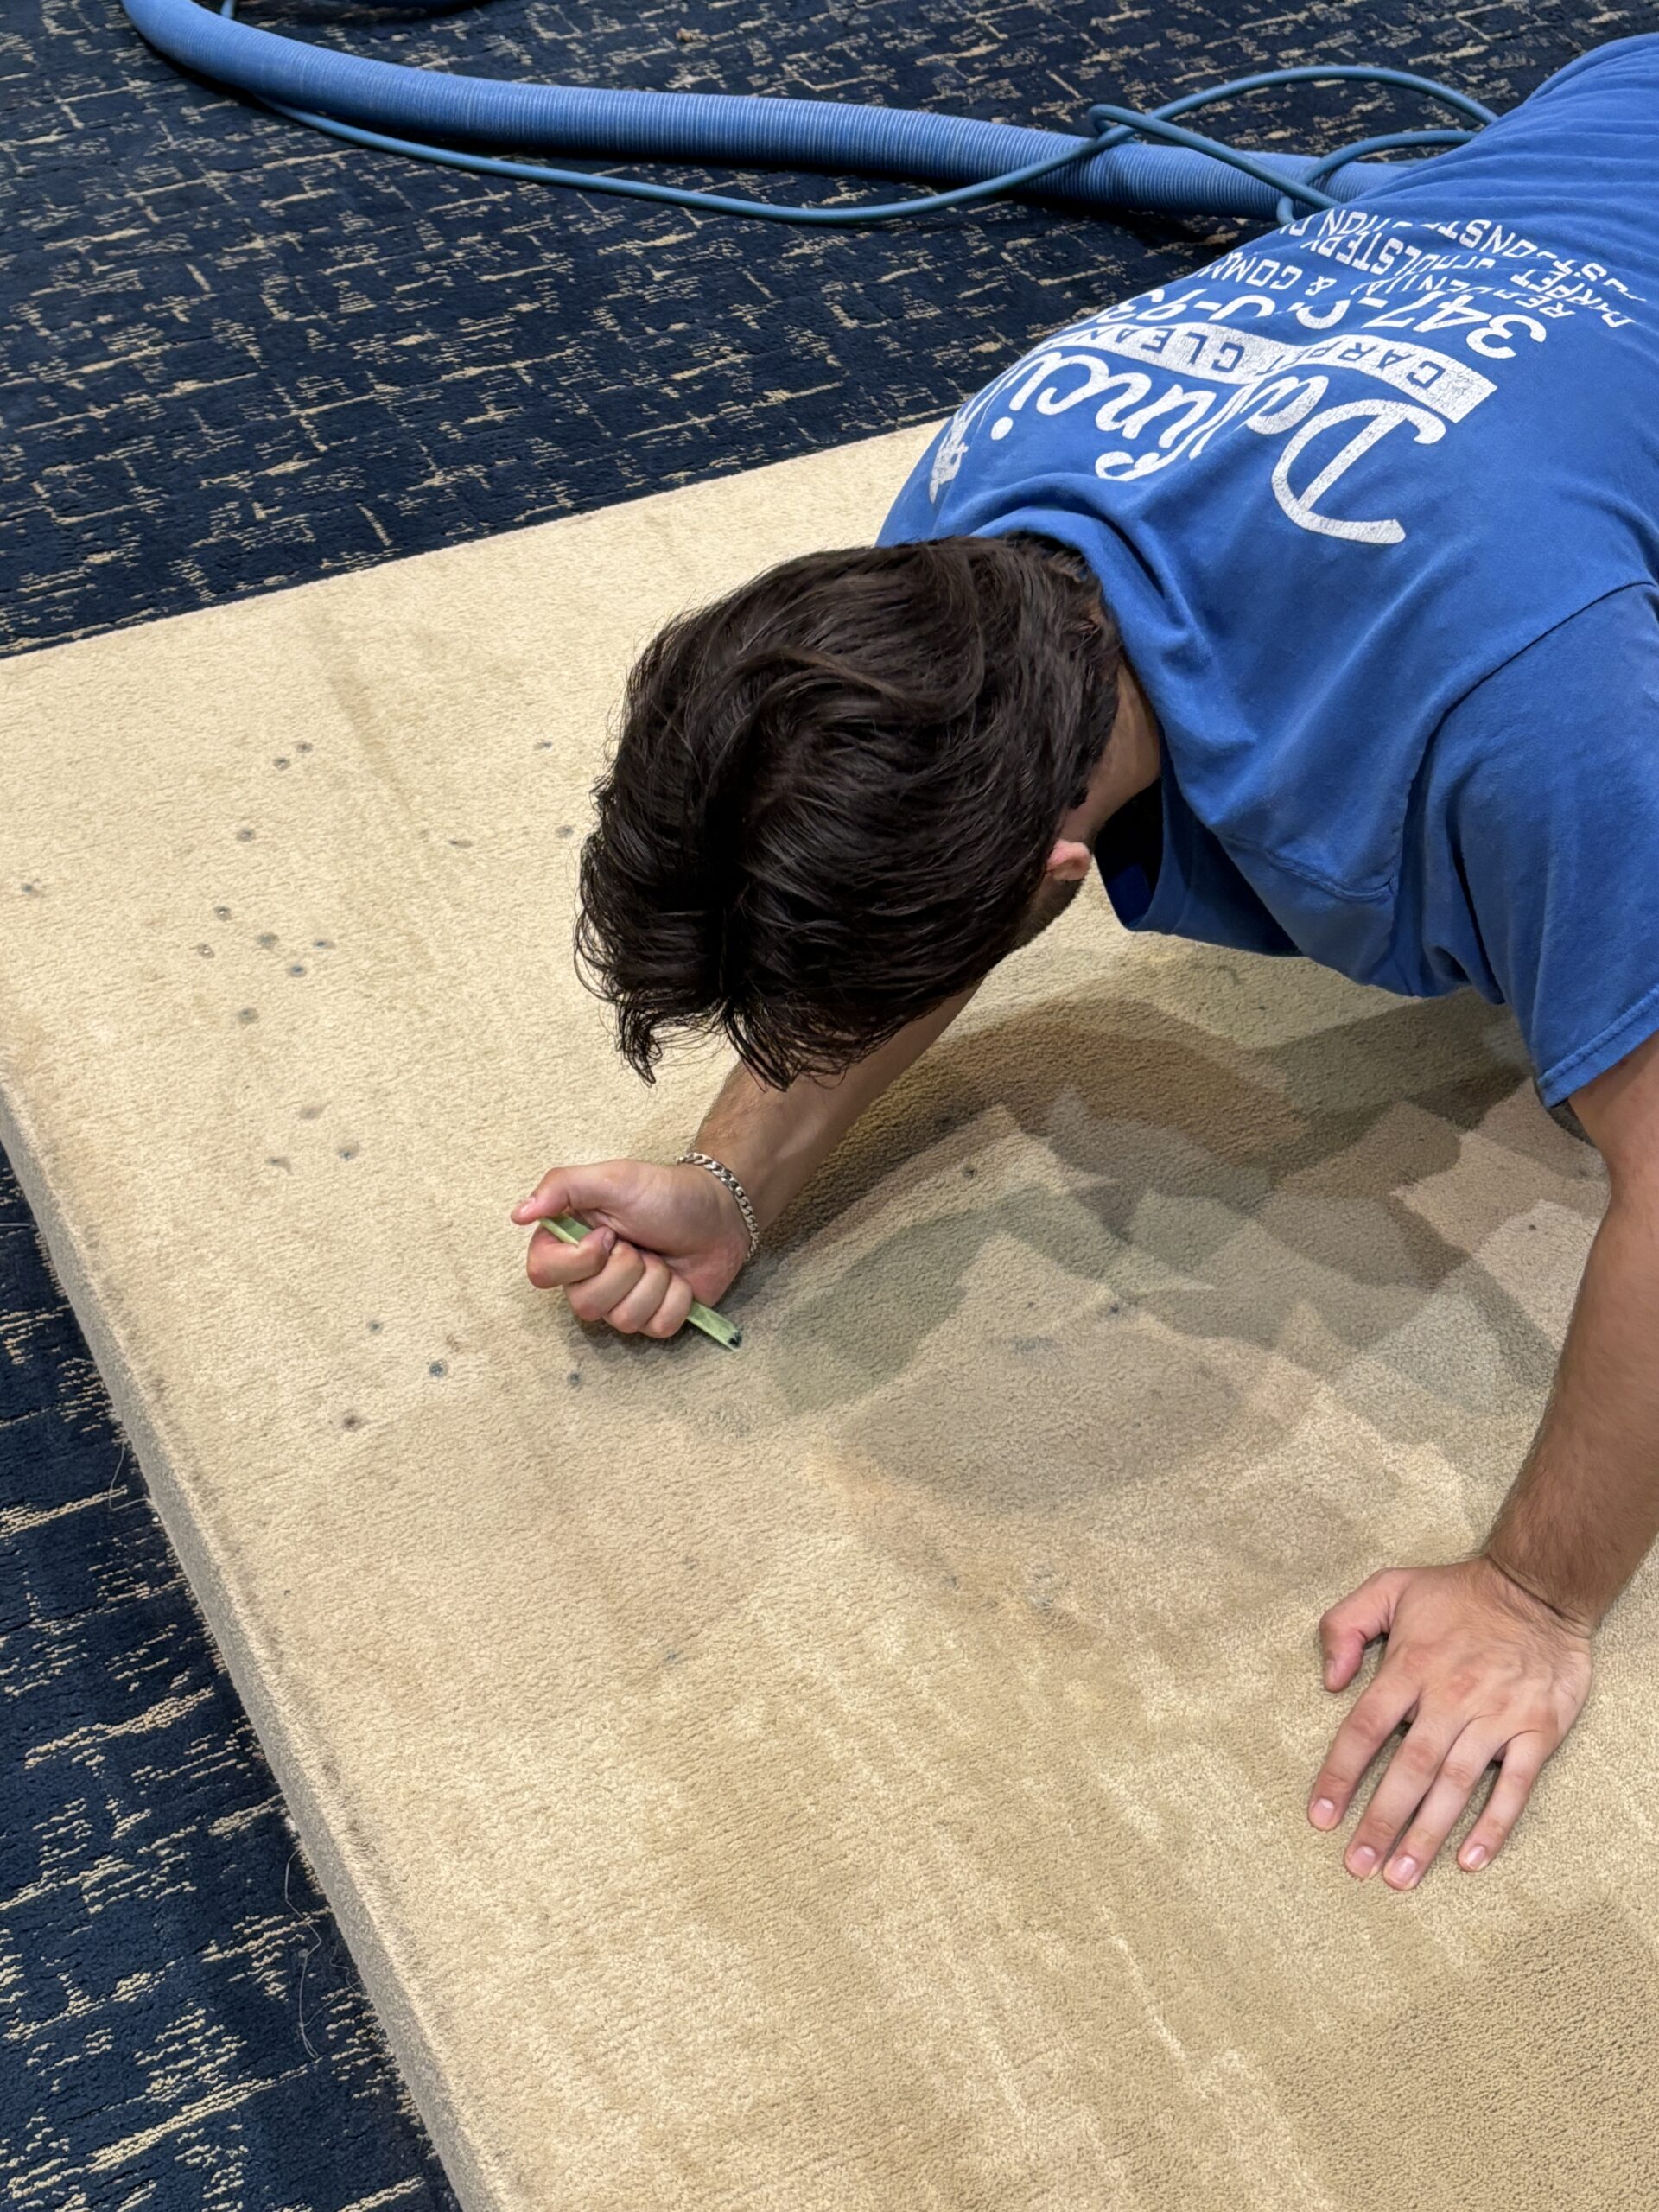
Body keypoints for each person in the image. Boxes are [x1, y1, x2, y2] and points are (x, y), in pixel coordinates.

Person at [512, 35, 1659, 1894]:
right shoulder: (966, 529)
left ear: (1054, 877)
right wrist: (737, 1175)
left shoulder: (1515, 707)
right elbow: (896, 858)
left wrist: (1532, 1590)